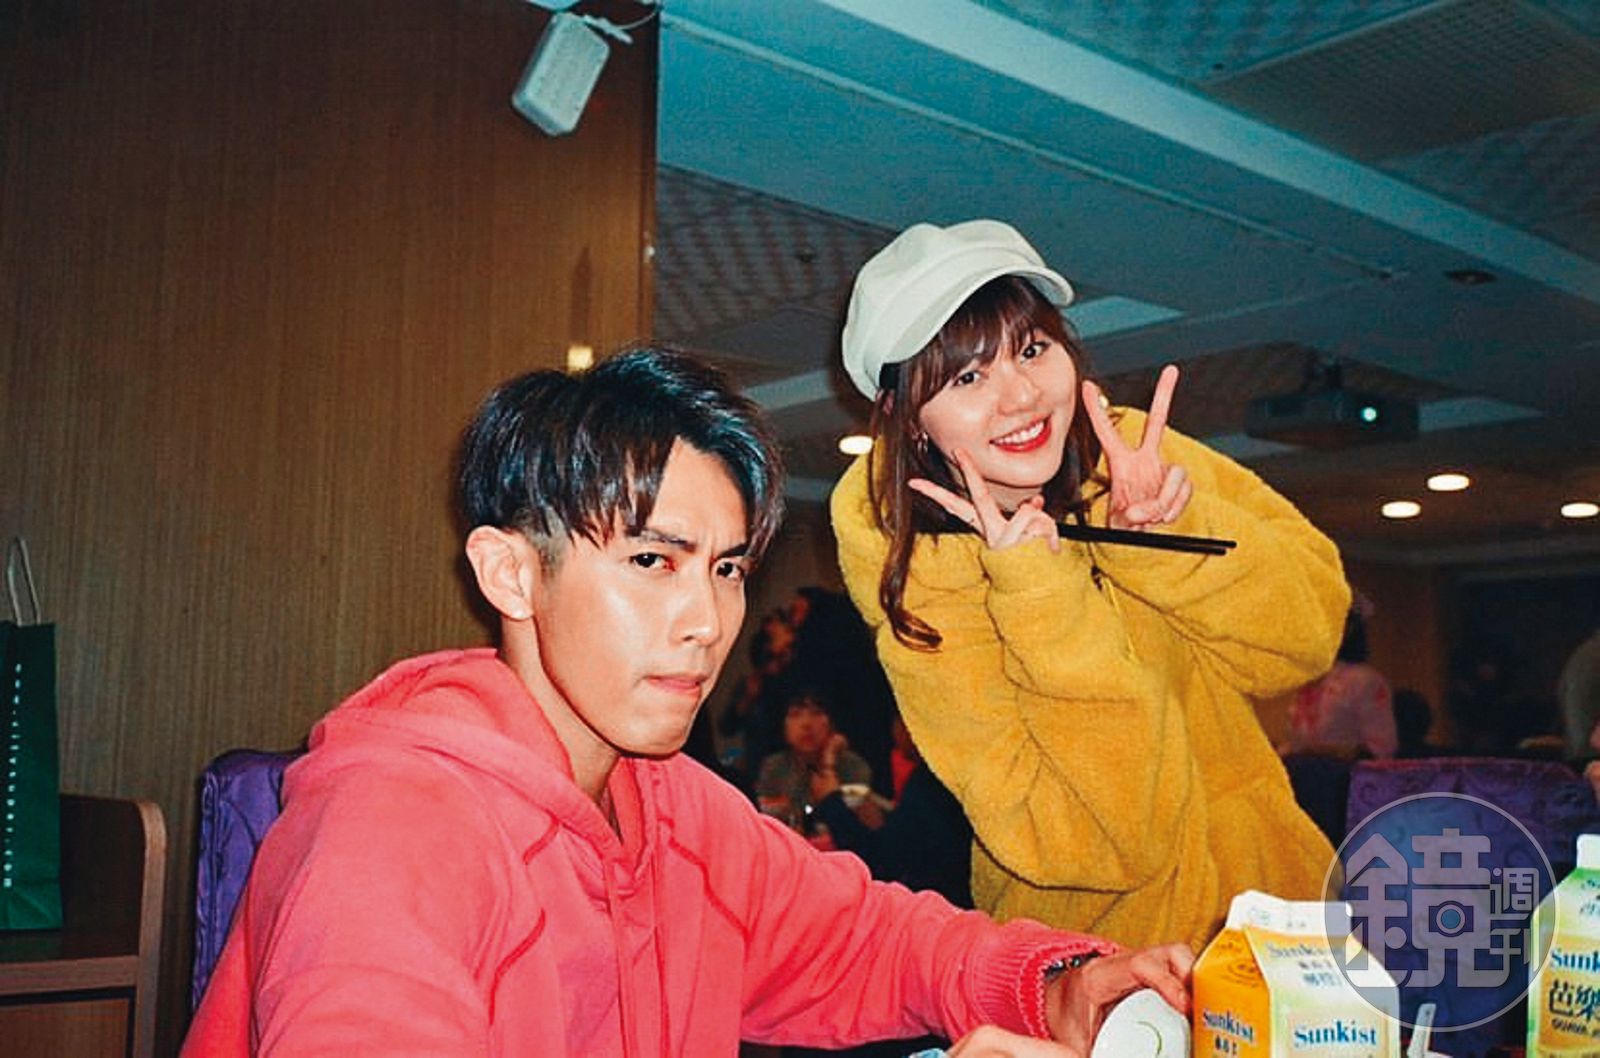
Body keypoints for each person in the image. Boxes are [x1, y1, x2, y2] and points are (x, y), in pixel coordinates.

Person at [182, 346, 1191, 1058]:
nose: (708, 620)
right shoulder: (393, 829)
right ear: (509, 573)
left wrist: (1056, 986)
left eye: (726, 568)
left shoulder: (675, 808)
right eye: (651, 560)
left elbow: (874, 942)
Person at [830, 219, 1349, 953]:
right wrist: (1038, 596)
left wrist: (1165, 537)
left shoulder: (1128, 454)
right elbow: (1098, 843)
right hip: (1106, 969)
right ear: (906, 419)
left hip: (1275, 924)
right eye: (967, 377)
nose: (1020, 396)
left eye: (1032, 349)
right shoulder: (927, 586)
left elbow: (1307, 639)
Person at [753, 688, 872, 838]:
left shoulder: (853, 766)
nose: (806, 724)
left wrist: (828, 764)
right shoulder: (774, 766)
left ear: (832, 722)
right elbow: (765, 819)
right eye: (795, 714)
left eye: (817, 713)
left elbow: (856, 826)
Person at [1286, 603, 1398, 760]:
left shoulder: (1363, 681)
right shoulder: (1307, 682)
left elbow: (1382, 748)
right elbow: (1297, 744)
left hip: (1348, 774)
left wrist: (1327, 754)